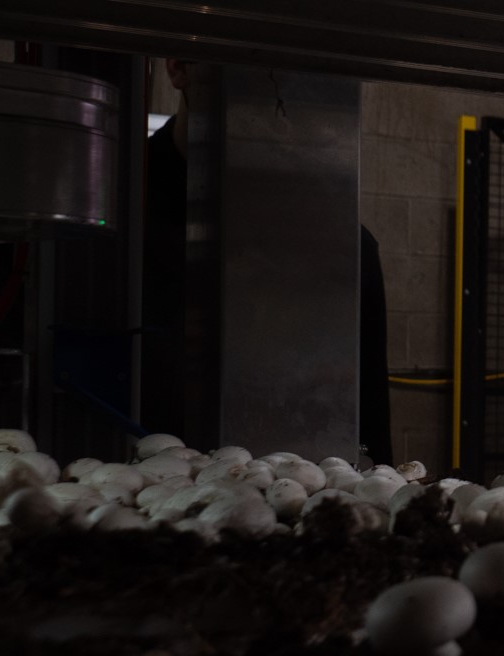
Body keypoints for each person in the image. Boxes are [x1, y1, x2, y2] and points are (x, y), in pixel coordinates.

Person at [142, 58, 391, 462]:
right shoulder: (117, 220)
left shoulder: (348, 250)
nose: (278, 96)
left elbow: (371, 432)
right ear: (177, 67)